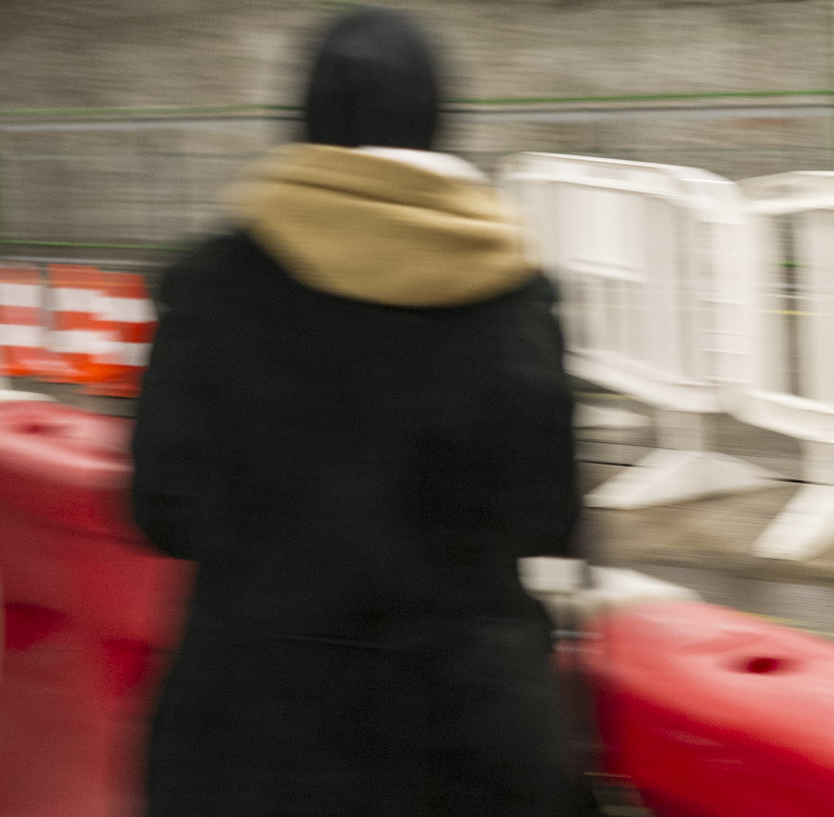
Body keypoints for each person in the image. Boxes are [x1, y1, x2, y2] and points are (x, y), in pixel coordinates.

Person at [129, 7, 581, 816]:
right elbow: (549, 517)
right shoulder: (516, 294)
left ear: (304, 115)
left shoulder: (211, 281)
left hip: (250, 738)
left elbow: (162, 507)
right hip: (462, 736)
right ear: (440, 116)